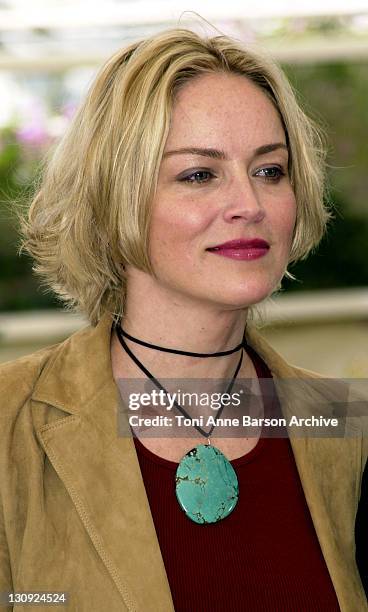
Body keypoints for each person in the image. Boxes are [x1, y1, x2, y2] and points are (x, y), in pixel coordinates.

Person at [0, 27, 366, 612]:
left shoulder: (346, 429)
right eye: (199, 174)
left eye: (270, 170)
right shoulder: (9, 426)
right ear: (115, 194)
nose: (249, 203)